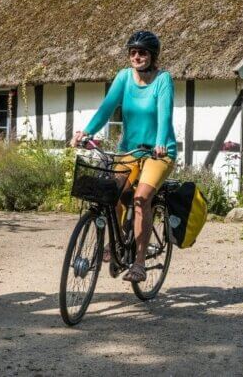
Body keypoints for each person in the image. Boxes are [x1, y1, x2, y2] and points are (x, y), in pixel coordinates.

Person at [71, 31, 177, 282]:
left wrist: (160, 143)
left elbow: (165, 115)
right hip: (129, 150)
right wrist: (86, 132)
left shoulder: (163, 80)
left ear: (152, 55)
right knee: (112, 192)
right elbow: (106, 108)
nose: (137, 57)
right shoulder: (123, 77)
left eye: (142, 53)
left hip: (158, 153)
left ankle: (139, 263)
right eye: (133, 52)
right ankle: (117, 241)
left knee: (141, 199)